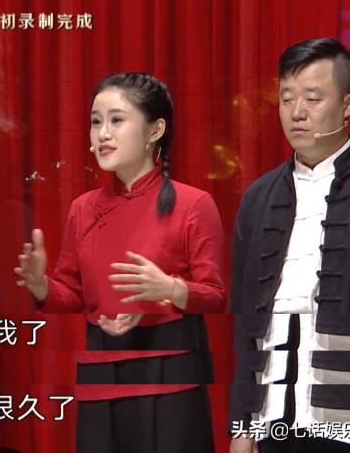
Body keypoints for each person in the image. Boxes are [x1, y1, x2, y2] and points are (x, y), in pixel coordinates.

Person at [15, 73, 226, 453]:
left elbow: (215, 296)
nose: (103, 134)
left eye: (116, 120)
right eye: (96, 121)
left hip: (169, 371)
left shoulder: (193, 204)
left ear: (155, 130)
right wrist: (41, 285)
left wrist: (169, 289)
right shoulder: (83, 208)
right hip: (101, 368)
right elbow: (72, 295)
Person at [229, 38, 350, 453]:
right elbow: (245, 324)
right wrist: (242, 425)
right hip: (274, 421)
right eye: (286, 98)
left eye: (312, 98)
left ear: (347, 105)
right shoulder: (258, 198)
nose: (296, 112)